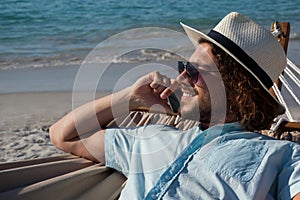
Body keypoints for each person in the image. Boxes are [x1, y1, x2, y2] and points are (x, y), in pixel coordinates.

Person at [49, 12, 300, 199]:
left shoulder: (280, 157)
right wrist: (130, 98)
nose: (180, 79)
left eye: (192, 71)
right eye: (183, 68)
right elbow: (64, 135)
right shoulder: (150, 138)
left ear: (236, 87)